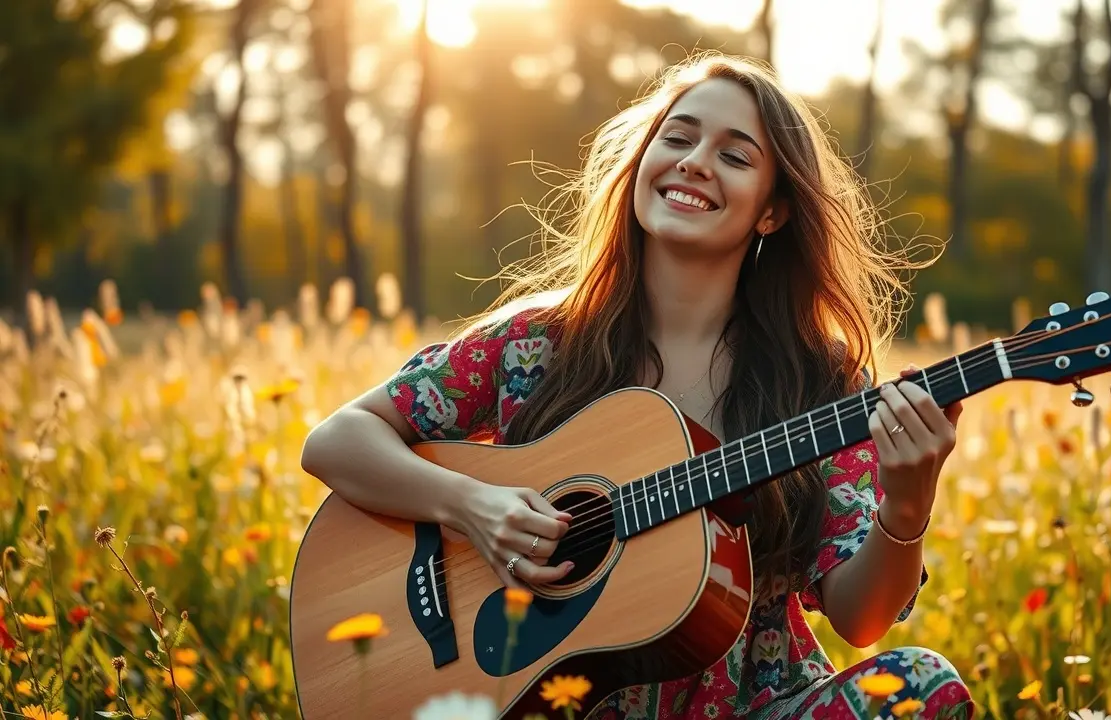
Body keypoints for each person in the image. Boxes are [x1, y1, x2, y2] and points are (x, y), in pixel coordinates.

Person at [301, 52, 973, 719]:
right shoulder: (535, 341)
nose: (695, 161)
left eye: (735, 157)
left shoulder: (819, 380)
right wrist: (472, 506)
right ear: (642, 164)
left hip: (757, 709)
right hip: (543, 705)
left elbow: (861, 620)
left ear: (772, 213)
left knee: (920, 685)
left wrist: (907, 507)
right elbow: (337, 441)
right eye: (676, 138)